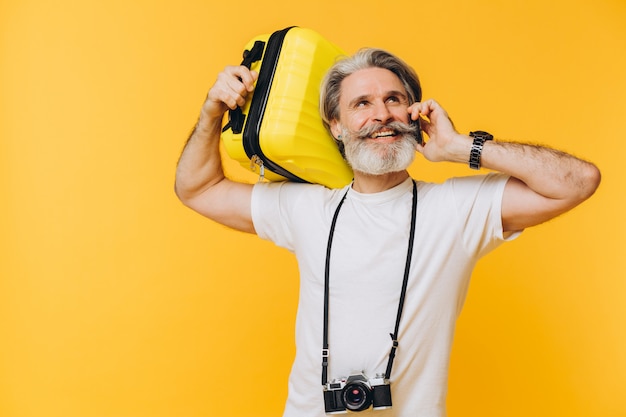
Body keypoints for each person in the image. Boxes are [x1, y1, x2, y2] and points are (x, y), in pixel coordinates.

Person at [175, 48, 600, 417]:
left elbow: (578, 181)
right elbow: (198, 188)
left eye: (394, 99)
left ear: (415, 115)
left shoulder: (456, 208)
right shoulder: (308, 207)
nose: (381, 114)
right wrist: (212, 111)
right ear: (335, 126)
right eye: (361, 103)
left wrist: (461, 147)